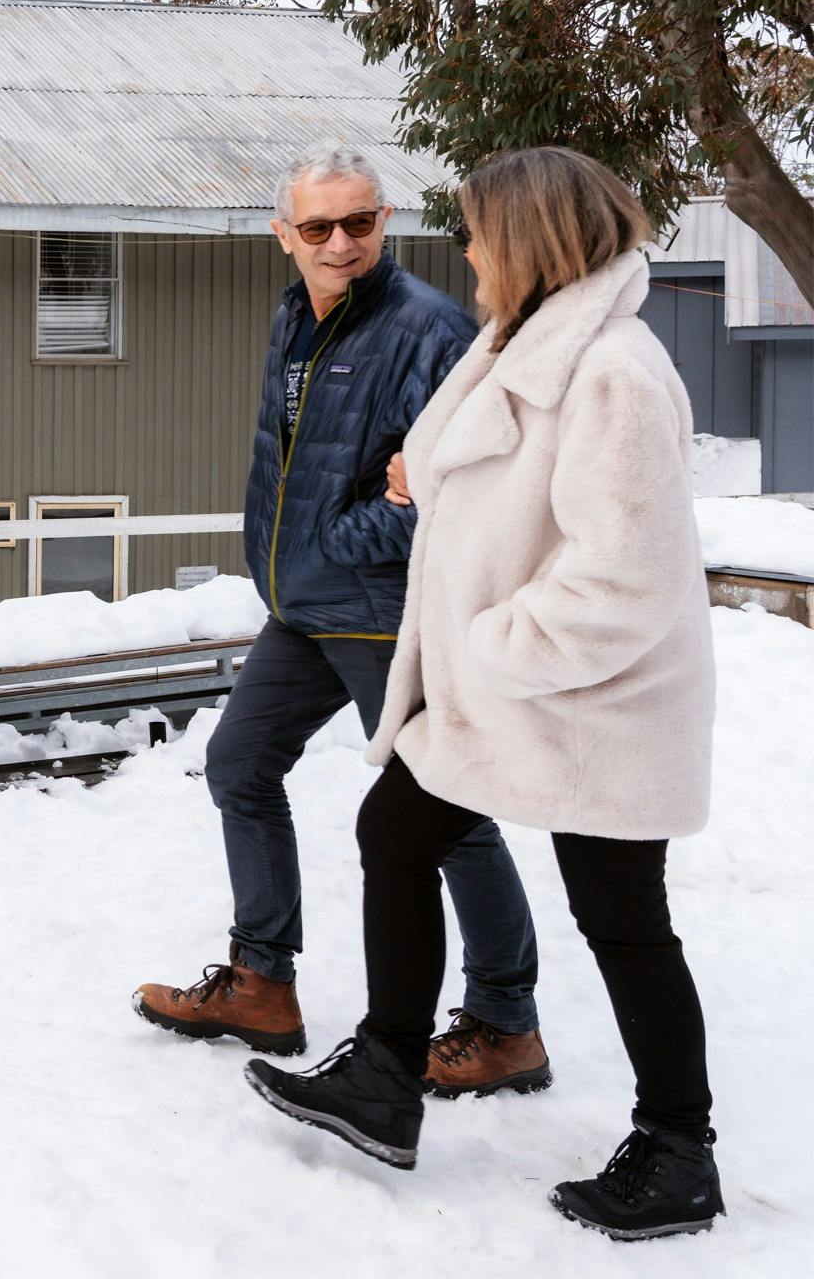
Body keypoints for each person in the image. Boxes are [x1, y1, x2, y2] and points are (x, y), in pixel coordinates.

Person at [243, 146, 722, 1241]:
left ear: (533, 240)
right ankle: (385, 1073)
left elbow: (624, 574)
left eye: (478, 230)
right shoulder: (522, 344)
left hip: (591, 696)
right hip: (525, 689)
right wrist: (430, 474)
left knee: (622, 916)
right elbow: (494, 468)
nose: (463, 249)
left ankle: (679, 1149)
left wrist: (494, 645)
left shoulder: (613, 372)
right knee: (398, 831)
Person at [136, 143, 549, 1096]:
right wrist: (296, 557)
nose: (340, 243)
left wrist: (333, 543)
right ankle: (262, 983)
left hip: (381, 611)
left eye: (358, 223)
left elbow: (444, 484)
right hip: (305, 607)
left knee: (445, 813)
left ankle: (505, 1022)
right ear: (284, 236)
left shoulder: (430, 329)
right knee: (240, 764)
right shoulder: (297, 316)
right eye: (317, 227)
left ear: (384, 223)